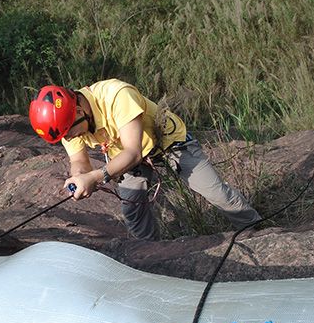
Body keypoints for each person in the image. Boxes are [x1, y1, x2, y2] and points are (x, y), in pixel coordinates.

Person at [29, 78, 261, 240]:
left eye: (70, 131)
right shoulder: (65, 124)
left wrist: (96, 177)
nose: (69, 137)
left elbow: (133, 152)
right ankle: (151, 258)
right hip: (126, 158)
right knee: (133, 211)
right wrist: (79, 176)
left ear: (79, 110)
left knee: (217, 194)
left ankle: (257, 232)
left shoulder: (117, 95)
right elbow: (79, 160)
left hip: (169, 144)